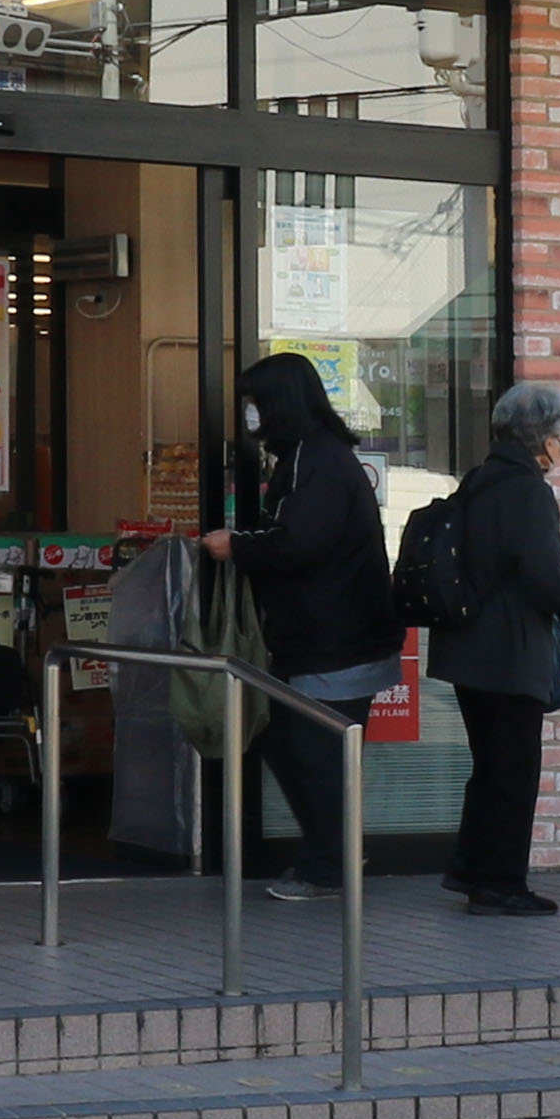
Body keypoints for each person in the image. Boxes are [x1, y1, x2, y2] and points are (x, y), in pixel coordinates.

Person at [199, 352, 403, 899]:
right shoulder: (305, 457)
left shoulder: (318, 461)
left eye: (253, 402)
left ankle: (329, 865)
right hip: (317, 638)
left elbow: (300, 543)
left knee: (312, 753)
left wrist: (235, 546)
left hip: (337, 641)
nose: (247, 413)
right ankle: (331, 854)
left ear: (278, 404)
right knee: (287, 744)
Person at [431, 380, 560, 916]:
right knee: (514, 770)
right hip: (509, 652)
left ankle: (474, 873)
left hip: (466, 651)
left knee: (490, 768)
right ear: (542, 440)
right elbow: (540, 570)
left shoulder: (477, 482)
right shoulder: (528, 491)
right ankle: (500, 884)